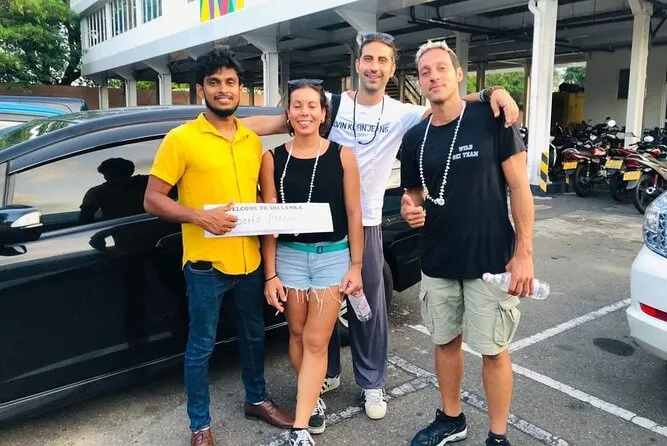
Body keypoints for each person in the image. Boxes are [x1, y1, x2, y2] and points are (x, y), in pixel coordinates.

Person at [242, 32, 521, 420]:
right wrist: (217, 125)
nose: (374, 67)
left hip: (368, 224)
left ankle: (372, 384)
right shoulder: (332, 105)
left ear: (392, 68)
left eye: (383, 61)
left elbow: (447, 100)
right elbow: (273, 123)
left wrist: (493, 92)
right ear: (357, 64)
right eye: (368, 59)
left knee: (367, 310)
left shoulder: (402, 113)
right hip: (323, 228)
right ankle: (325, 377)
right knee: (320, 314)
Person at [143, 48, 293, 446]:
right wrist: (199, 216)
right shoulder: (181, 139)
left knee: (255, 336)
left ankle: (256, 399)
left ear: (241, 88)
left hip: (250, 261)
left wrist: (269, 210)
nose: (223, 90)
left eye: (230, 82)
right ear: (201, 90)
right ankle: (200, 426)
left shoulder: (250, 140)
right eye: (214, 83)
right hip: (206, 265)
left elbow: (256, 194)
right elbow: (152, 199)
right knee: (201, 347)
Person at [399, 40, 534, 446]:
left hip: (490, 259)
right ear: (419, 81)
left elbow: (520, 189)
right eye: (425, 71)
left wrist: (524, 254)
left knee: (494, 349)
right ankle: (451, 418)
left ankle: (498, 436)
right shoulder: (416, 136)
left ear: (459, 74)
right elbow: (413, 194)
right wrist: (409, 208)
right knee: (445, 343)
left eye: (442, 68)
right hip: (437, 258)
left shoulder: (491, 118)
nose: (434, 76)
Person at [259, 79, 364, 446]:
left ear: (323, 113)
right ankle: (312, 396)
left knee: (318, 340)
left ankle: (300, 427)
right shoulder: (272, 158)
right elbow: (269, 220)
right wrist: (270, 274)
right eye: (297, 106)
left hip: (332, 257)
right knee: (297, 334)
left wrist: (356, 264)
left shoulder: (342, 156)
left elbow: (354, 212)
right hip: (288, 257)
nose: (304, 112)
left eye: (311, 106)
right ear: (288, 114)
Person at [79, 157, 148, 224]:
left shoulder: (97, 192)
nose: (104, 177)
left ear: (108, 175)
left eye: (105, 174)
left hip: (119, 230)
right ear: (131, 172)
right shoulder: (146, 181)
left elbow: (85, 219)